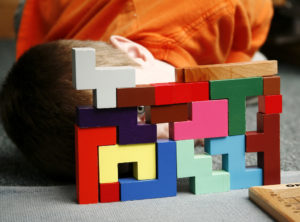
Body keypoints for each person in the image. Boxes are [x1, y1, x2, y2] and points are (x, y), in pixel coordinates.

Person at [0, 0, 274, 180]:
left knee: (248, 70)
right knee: (42, 73)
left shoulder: (216, 9)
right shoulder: (98, 70)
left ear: (137, 53)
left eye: (142, 109)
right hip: (73, 22)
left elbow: (259, 10)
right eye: (145, 149)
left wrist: (237, 57)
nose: (166, 132)